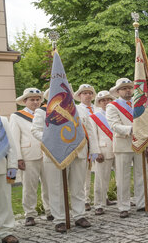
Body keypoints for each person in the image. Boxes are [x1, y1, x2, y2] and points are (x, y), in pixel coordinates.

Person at [32, 87, 98, 233]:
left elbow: (90, 131)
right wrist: (54, 142)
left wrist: (94, 150)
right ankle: (60, 219)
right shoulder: (42, 112)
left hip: (78, 152)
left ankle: (79, 215)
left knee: (78, 187)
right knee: (57, 188)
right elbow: (35, 130)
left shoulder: (79, 110)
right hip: (55, 154)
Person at [106, 77, 148, 218]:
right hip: (123, 144)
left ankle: (142, 203)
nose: (127, 90)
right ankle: (123, 206)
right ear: (118, 91)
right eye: (124, 88)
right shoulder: (112, 106)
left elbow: (147, 124)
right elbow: (114, 125)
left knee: (141, 175)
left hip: (140, 143)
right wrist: (133, 129)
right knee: (123, 178)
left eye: (129, 88)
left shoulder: (139, 103)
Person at [10, 88, 52, 226]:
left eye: (38, 99)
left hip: (47, 154)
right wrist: (18, 158)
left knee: (49, 185)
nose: (35, 102)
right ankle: (30, 214)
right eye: (32, 99)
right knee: (29, 187)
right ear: (24, 101)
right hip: (28, 155)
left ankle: (50, 211)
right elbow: (14, 139)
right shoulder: (17, 116)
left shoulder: (47, 113)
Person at [0, 116, 20, 243]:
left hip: (0, 166)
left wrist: (12, 166)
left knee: (4, 200)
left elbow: (11, 145)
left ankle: (6, 231)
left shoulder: (1, 120)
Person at [87, 90, 116, 215]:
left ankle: (124, 200)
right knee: (101, 179)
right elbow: (92, 135)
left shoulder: (116, 113)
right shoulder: (95, 117)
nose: (106, 102)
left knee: (122, 177)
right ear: (98, 103)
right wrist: (96, 152)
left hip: (119, 148)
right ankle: (99, 204)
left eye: (108, 99)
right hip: (103, 150)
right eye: (103, 100)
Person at [73, 84, 97, 211]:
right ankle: (85, 200)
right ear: (79, 96)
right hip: (82, 146)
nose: (88, 95)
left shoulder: (98, 109)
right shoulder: (77, 109)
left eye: (90, 93)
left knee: (96, 175)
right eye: (84, 93)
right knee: (82, 176)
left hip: (94, 145)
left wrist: (95, 148)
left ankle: (99, 197)